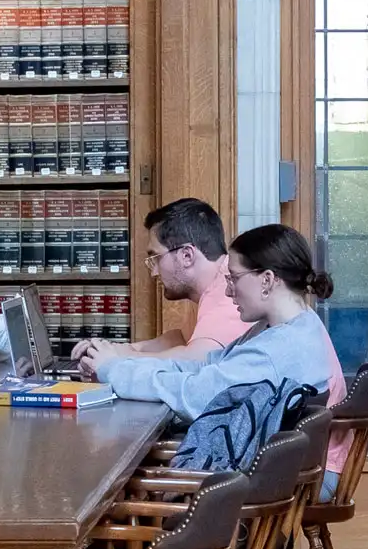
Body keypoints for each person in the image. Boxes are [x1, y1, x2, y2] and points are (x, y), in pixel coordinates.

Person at [80, 225, 344, 470]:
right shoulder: (294, 325)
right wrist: (118, 363)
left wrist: (113, 371)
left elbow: (195, 395)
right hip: (279, 469)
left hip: (268, 481)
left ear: (267, 280)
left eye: (234, 279)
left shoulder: (276, 350)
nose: (228, 293)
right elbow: (207, 365)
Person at [72, 197, 245, 370]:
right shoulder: (212, 285)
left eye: (156, 258)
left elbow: (196, 360)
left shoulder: (228, 289)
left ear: (187, 255)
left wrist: (118, 359)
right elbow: (180, 339)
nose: (154, 272)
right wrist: (118, 349)